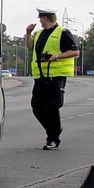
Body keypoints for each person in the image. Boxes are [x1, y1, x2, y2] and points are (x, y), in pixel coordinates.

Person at [25, 8, 80, 150]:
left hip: (56, 76)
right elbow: (31, 48)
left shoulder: (63, 32)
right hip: (41, 76)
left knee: (52, 106)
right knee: (36, 107)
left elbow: (75, 51)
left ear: (46, 19)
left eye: (41, 18)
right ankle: (54, 129)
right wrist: (28, 34)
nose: (39, 21)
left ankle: (53, 139)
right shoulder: (40, 34)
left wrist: (57, 56)